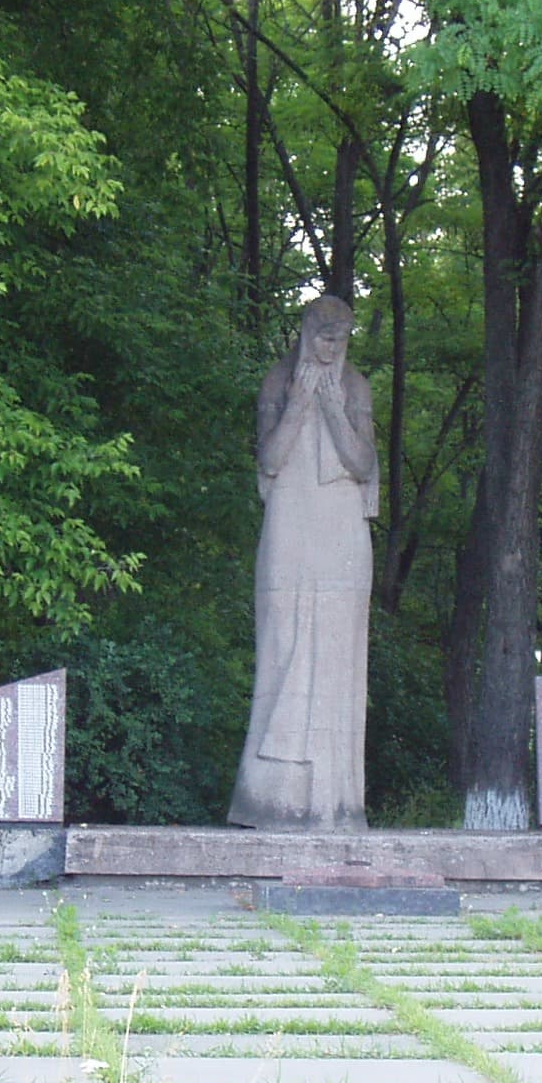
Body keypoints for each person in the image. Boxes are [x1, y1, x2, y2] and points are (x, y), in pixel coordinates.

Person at [229, 295, 378, 830]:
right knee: (283, 648)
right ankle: (272, 798)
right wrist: (298, 402)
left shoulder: (356, 385)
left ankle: (335, 802)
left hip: (340, 533)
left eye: (339, 338)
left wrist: (335, 406)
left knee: (337, 661)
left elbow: (362, 464)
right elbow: (269, 458)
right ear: (304, 331)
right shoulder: (277, 379)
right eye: (321, 335)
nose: (329, 346)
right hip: (291, 522)